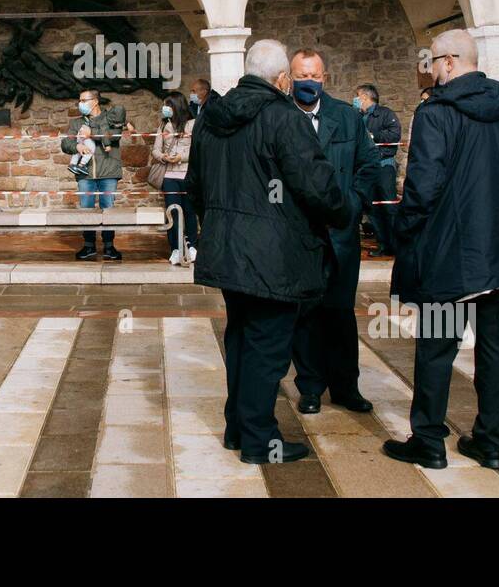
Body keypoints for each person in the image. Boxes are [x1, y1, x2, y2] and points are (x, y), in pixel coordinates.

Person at [383, 29, 499, 472]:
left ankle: (429, 440)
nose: (430, 70)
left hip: (448, 253)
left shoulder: (435, 113)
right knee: (495, 348)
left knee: (436, 347)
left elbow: (423, 186)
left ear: (450, 62)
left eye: (432, 62)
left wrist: (405, 231)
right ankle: (491, 442)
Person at [186, 39, 350, 465]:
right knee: (267, 348)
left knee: (241, 337)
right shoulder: (283, 117)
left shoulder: (210, 119)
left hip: (227, 249)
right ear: (282, 78)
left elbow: (195, 186)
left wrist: (217, 226)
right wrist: (342, 212)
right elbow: (315, 184)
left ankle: (237, 428)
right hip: (274, 255)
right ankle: (259, 440)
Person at [288, 48, 380, 415]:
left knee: (340, 313)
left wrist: (353, 203)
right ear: (289, 78)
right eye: (301, 76)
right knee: (305, 313)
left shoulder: (346, 116)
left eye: (315, 75)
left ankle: (346, 386)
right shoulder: (280, 117)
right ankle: (310, 386)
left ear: (325, 77)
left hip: (340, 234)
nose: (308, 82)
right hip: (300, 235)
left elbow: (369, 165)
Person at [60, 88, 128, 261]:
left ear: (95, 101)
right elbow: (65, 143)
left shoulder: (110, 118)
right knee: (87, 209)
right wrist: (76, 147)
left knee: (108, 209)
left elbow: (114, 135)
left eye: (84, 100)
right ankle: (89, 246)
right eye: (79, 101)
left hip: (108, 172)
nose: (80, 104)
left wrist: (93, 134)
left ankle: (109, 246)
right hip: (86, 175)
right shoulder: (76, 123)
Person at [354, 83, 400, 257]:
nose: (356, 100)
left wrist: (373, 136)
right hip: (366, 169)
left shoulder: (386, 114)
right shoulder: (357, 116)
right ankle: (383, 245)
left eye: (357, 96)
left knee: (388, 206)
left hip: (383, 166)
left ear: (365, 97)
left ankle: (396, 245)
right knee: (372, 208)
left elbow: (394, 135)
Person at [152, 92, 196, 265]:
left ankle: (192, 246)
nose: (165, 109)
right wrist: (164, 157)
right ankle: (176, 249)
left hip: (187, 175)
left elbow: (195, 149)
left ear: (177, 106)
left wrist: (181, 157)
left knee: (190, 212)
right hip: (169, 176)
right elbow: (155, 149)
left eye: (167, 105)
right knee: (172, 213)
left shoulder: (193, 124)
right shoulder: (163, 126)